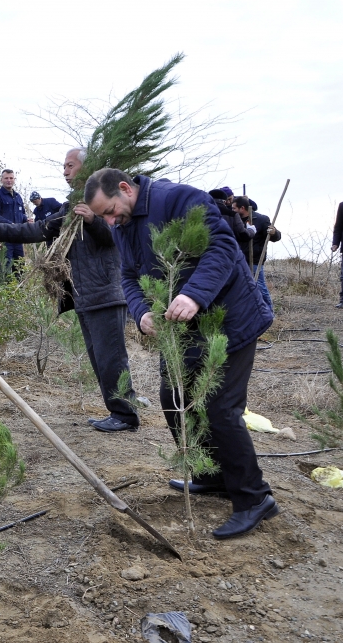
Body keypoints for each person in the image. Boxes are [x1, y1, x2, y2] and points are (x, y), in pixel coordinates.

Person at [85, 167, 278, 539]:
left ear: (125, 188)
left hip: (229, 321)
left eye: (110, 210)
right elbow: (128, 275)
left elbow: (222, 247)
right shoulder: (122, 226)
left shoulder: (179, 199)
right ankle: (211, 474)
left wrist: (194, 294)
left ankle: (254, 498)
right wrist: (141, 313)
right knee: (173, 398)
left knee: (221, 408)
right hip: (180, 330)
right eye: (104, 217)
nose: (109, 221)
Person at [0, 148, 142, 433]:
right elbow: (42, 230)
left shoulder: (106, 203)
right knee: (99, 359)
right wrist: (2, 231)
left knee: (112, 358)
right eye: (64, 166)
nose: (65, 171)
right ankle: (118, 410)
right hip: (84, 295)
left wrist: (93, 221)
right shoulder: (71, 208)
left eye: (70, 165)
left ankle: (126, 414)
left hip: (105, 293)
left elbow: (117, 237)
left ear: (87, 166)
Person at [232, 196, 280, 311]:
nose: (232, 210)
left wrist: (274, 232)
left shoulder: (261, 219)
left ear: (242, 208)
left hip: (254, 260)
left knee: (259, 286)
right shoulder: (235, 220)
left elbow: (276, 237)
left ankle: (269, 312)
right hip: (239, 260)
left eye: (234, 208)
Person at [0, 168, 26, 270]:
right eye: (6, 178)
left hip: (18, 237)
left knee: (20, 267)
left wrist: (27, 220)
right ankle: (5, 286)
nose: (9, 180)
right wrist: (10, 224)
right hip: (4, 237)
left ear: (14, 180)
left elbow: (22, 215)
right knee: (5, 268)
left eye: (11, 178)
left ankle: (19, 286)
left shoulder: (18, 197)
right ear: (1, 180)